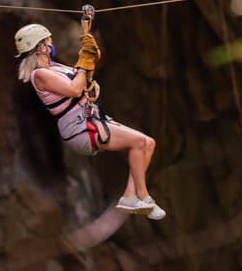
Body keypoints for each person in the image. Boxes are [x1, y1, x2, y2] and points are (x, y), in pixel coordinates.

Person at [15, 22, 164, 220]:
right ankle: (143, 197)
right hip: (79, 127)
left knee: (148, 143)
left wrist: (88, 58)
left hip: (89, 118)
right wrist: (84, 62)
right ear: (41, 47)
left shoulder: (55, 67)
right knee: (139, 143)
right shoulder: (40, 74)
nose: (51, 44)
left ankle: (130, 197)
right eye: (48, 41)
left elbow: (82, 79)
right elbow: (75, 89)